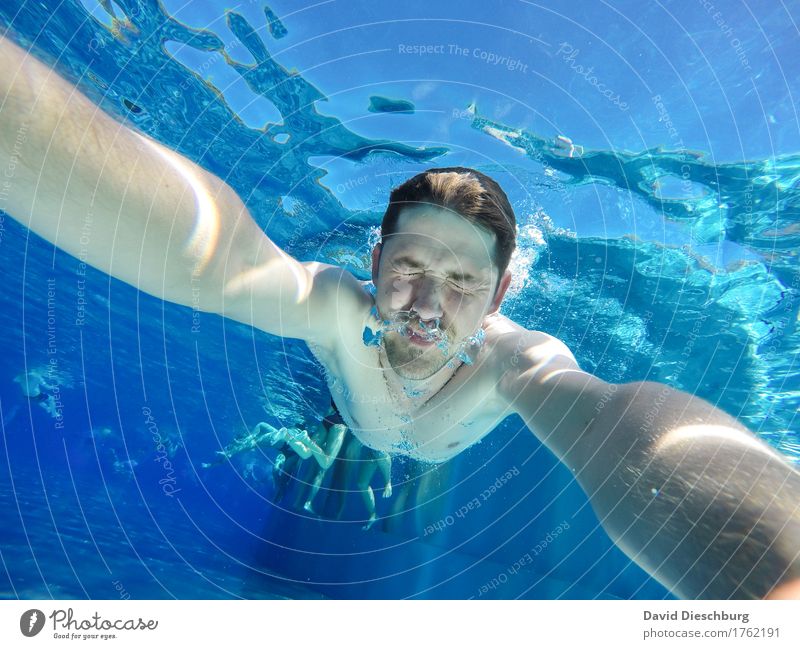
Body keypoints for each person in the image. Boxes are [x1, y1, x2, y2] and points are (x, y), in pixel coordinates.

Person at [1, 35, 798, 599]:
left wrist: (778, 574)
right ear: (375, 261)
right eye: (410, 269)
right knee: (333, 436)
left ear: (499, 295)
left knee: (412, 481)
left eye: (459, 282)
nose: (423, 306)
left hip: (434, 442)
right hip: (349, 410)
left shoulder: (516, 364)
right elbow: (218, 259)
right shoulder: (337, 309)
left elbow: (614, 422)